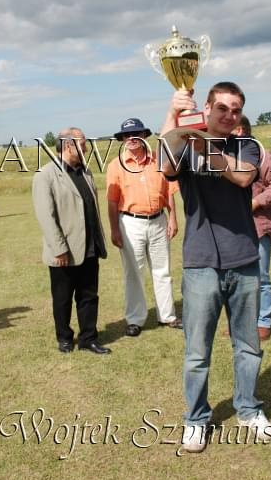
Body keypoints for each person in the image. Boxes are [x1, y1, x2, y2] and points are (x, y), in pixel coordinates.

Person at [160, 83, 271, 452]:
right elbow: (165, 163)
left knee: (247, 346)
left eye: (236, 109)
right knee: (197, 351)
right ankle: (196, 419)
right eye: (222, 108)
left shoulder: (247, 145)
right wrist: (173, 113)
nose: (229, 115)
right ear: (207, 107)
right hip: (200, 264)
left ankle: (249, 409)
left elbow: (243, 176)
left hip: (243, 259)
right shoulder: (186, 145)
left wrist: (202, 143)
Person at [32, 127, 111, 355]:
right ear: (69, 145)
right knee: (63, 298)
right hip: (64, 251)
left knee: (89, 296)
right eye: (83, 142)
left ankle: (88, 338)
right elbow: (46, 216)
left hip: (90, 247)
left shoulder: (85, 172)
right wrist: (59, 248)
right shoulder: (45, 174)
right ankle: (64, 337)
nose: (86, 147)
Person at [106, 118, 181, 337]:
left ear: (144, 136)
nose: (131, 139)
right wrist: (114, 229)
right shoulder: (115, 165)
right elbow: (112, 201)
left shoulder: (158, 160)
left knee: (163, 271)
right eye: (127, 135)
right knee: (134, 273)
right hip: (130, 223)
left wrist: (173, 217)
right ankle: (135, 320)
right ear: (122, 139)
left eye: (136, 134)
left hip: (158, 221)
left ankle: (167, 316)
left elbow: (169, 192)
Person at [234, 115, 271, 339]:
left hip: (258, 225)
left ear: (243, 130)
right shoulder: (225, 156)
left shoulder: (262, 155)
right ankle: (241, 322)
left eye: (236, 129)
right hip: (233, 228)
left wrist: (256, 202)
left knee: (261, 276)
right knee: (237, 277)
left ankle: (263, 320)